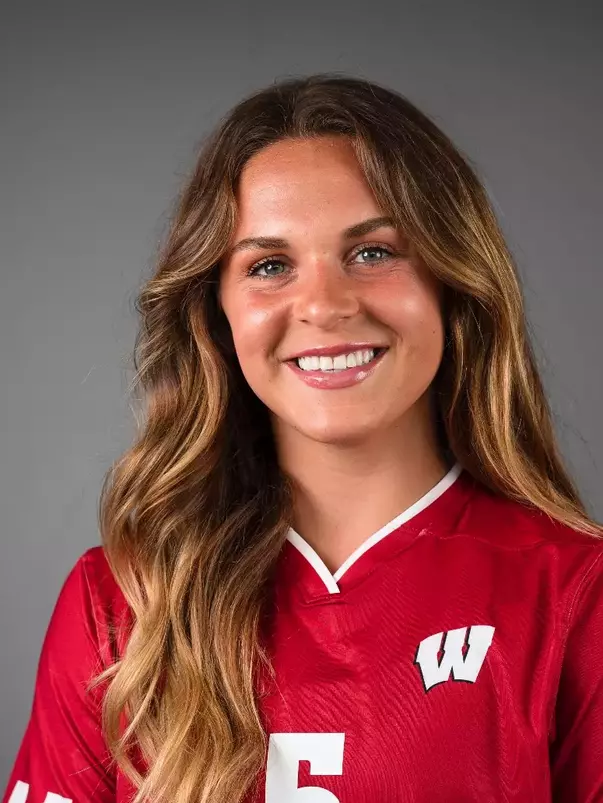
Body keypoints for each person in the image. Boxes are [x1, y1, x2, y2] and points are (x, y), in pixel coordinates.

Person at [3, 73, 603, 803]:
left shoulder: (575, 595)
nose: (323, 304)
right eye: (269, 266)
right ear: (216, 310)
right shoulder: (121, 604)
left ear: (453, 280)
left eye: (373, 252)